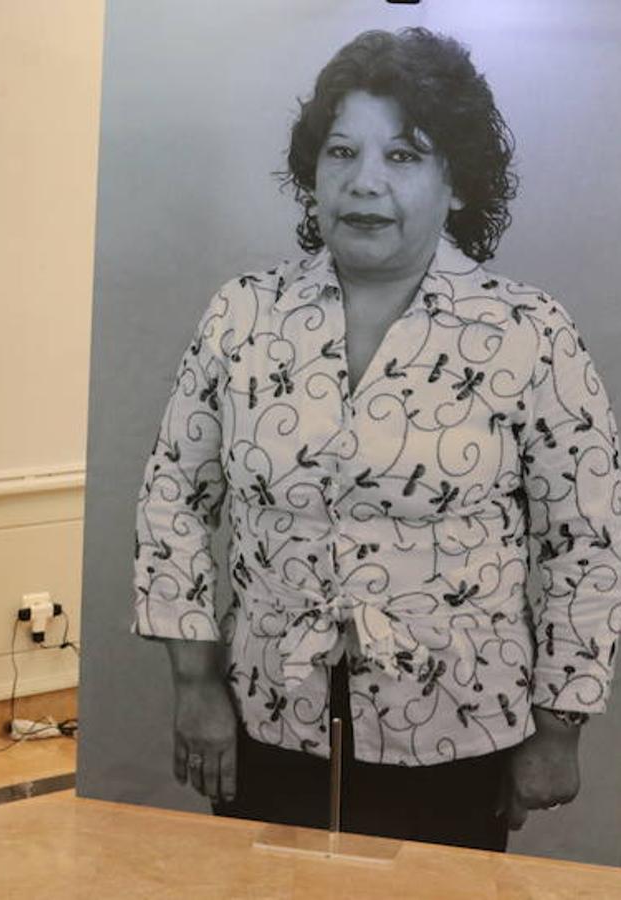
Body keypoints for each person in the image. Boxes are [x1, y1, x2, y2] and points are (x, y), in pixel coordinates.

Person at [133, 28, 621, 851]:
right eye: (340, 152)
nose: (364, 184)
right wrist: (195, 685)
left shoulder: (529, 332)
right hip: (262, 713)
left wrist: (560, 724)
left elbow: (588, 539)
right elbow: (173, 494)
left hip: (459, 723)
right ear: (312, 173)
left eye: (403, 157)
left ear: (455, 182)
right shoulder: (245, 314)